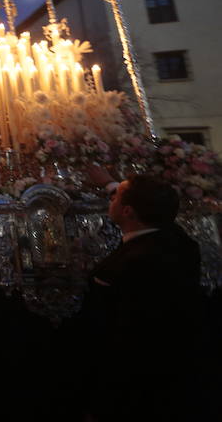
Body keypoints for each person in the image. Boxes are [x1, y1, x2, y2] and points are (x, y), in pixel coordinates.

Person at [81, 174, 212, 420]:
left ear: (128, 211)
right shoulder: (179, 242)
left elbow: (124, 337)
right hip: (185, 379)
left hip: (138, 390)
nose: (110, 199)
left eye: (115, 196)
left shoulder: (132, 263)